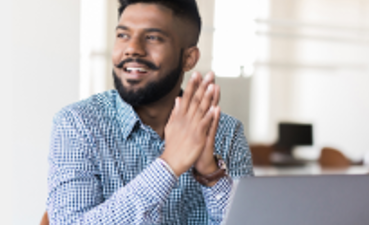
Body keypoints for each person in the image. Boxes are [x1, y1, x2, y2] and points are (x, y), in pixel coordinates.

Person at [46, 0, 253, 224]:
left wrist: (211, 174)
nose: (132, 48)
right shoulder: (77, 124)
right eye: (123, 35)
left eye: (153, 37)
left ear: (188, 58)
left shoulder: (227, 132)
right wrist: (169, 164)